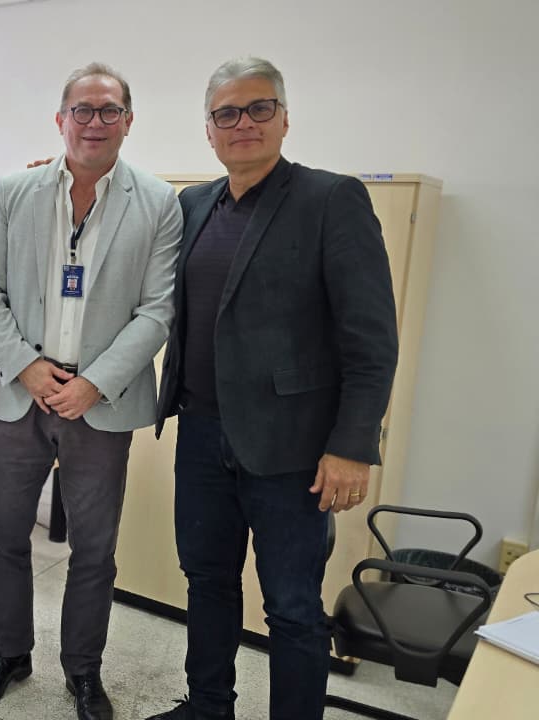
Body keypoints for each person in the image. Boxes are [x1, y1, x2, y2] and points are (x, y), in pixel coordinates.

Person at [143, 57, 398, 720]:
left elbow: (371, 341)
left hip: (293, 449)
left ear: (284, 119)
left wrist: (352, 446)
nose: (244, 123)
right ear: (209, 130)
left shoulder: (330, 199)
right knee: (207, 582)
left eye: (260, 108)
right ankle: (208, 707)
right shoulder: (193, 204)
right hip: (202, 434)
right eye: (227, 113)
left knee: (291, 605)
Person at [0, 62, 182, 720]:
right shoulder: (16, 191)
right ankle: (10, 652)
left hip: (99, 402)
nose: (94, 122)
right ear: (61, 120)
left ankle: (83, 670)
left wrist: (94, 383)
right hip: (20, 392)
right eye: (82, 110)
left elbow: (157, 310)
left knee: (94, 549)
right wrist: (25, 366)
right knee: (2, 533)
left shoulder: (158, 201)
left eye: (109, 110)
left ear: (128, 121)